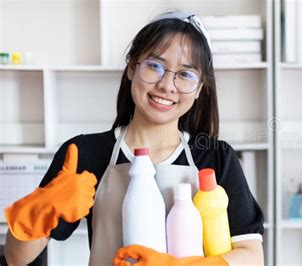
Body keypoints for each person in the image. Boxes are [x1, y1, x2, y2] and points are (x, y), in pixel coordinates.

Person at [4, 10, 264, 265]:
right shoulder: (83, 154)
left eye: (185, 74)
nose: (166, 85)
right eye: (155, 66)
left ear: (199, 89)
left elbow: (252, 256)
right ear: (131, 68)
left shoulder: (216, 157)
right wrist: (40, 209)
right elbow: (17, 259)